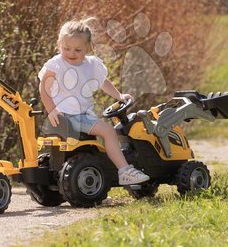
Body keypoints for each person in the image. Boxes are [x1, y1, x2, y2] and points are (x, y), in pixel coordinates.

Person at [38, 18, 150, 185]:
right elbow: (44, 88)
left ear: (88, 48)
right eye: (66, 48)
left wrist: (119, 96)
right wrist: (51, 109)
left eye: (78, 50)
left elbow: (103, 82)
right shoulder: (56, 65)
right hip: (65, 116)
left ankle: (114, 173)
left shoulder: (91, 65)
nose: (71, 53)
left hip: (83, 116)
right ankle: (125, 170)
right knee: (109, 132)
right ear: (58, 44)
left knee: (106, 133)